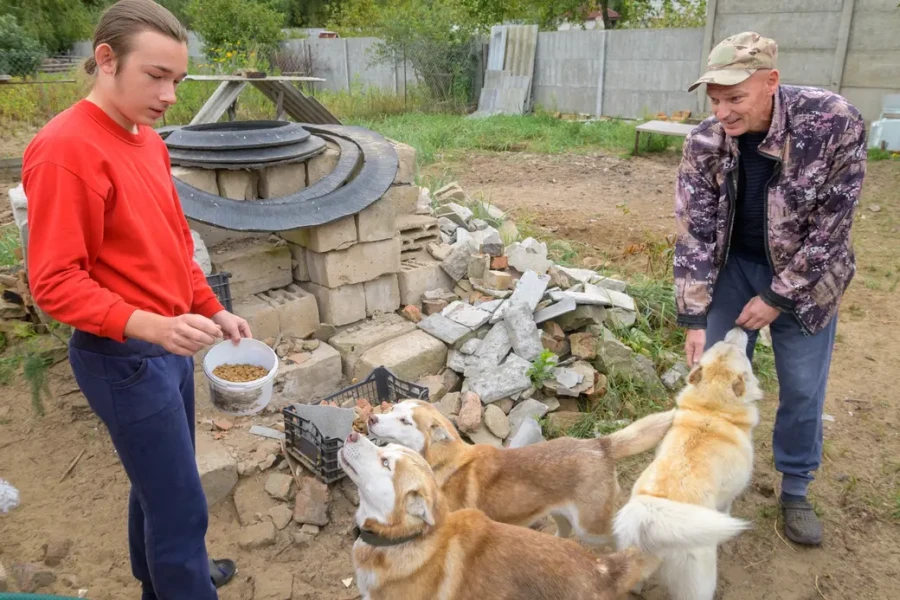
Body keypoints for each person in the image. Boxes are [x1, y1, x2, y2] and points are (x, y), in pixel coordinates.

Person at [22, 1, 250, 597]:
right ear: (105, 59)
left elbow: (173, 243)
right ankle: (183, 579)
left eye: (177, 79)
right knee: (180, 507)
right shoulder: (65, 150)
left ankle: (167, 578)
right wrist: (150, 327)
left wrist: (211, 308)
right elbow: (54, 282)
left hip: (166, 345)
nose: (170, 94)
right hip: (122, 359)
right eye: (156, 75)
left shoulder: (146, 140)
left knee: (160, 486)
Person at [673, 32, 867, 546]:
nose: (724, 113)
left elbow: (833, 227)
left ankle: (796, 488)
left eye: (735, 98)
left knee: (802, 387)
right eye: (714, 100)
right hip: (734, 269)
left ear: (771, 83)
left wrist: (779, 297)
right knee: (711, 377)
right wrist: (693, 316)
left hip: (807, 280)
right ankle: (715, 481)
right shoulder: (705, 141)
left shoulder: (832, 122)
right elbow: (694, 230)